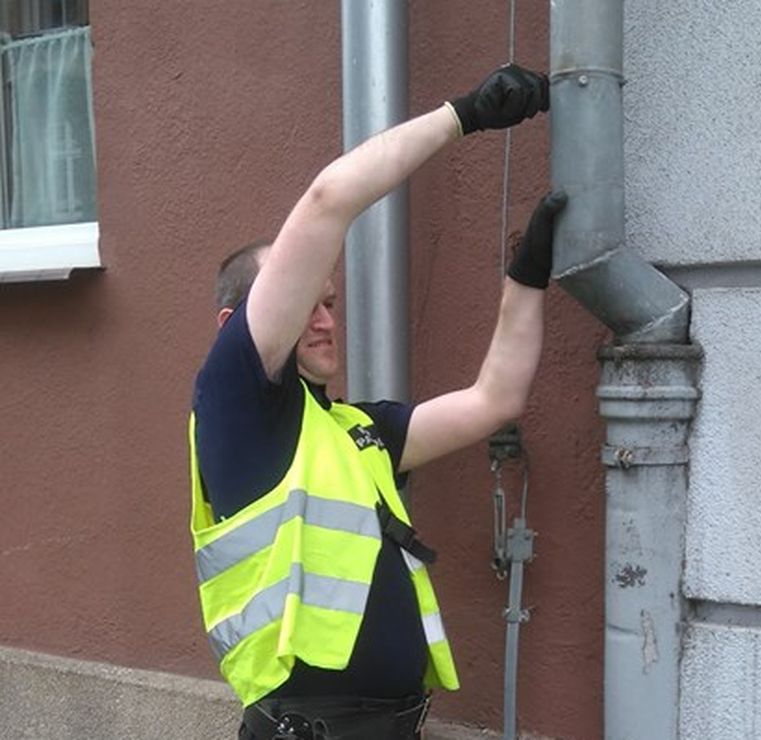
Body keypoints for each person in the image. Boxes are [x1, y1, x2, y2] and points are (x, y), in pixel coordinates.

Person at [188, 63, 568, 740]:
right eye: (303, 304)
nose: (325, 319)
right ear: (232, 330)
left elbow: (494, 399)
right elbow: (328, 200)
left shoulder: (359, 431)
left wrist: (527, 275)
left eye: (329, 303)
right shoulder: (235, 407)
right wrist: (466, 113)